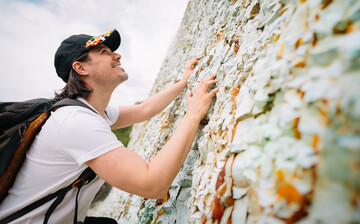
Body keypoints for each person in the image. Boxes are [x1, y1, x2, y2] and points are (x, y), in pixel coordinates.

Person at [0, 28, 220, 223]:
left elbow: (143, 110)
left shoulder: (92, 110)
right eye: (104, 52)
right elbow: (152, 184)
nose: (117, 55)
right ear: (80, 68)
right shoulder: (75, 122)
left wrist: (183, 83)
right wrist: (193, 115)